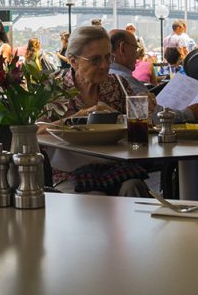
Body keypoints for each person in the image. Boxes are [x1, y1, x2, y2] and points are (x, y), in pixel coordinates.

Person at [43, 25, 152, 196]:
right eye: (95, 60)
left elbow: (141, 130)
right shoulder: (54, 89)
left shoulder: (118, 84)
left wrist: (140, 112)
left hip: (116, 170)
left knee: (134, 187)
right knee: (93, 199)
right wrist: (79, 116)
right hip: (70, 174)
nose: (104, 65)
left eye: (108, 57)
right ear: (73, 61)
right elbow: (34, 130)